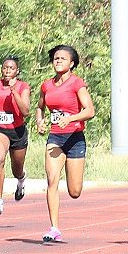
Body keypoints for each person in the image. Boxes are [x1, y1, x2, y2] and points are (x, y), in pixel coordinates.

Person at [36, 45, 95, 242]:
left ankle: (74, 186)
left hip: (75, 138)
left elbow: (90, 111)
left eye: (62, 58)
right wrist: (40, 121)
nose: (58, 61)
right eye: (55, 58)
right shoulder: (47, 85)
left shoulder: (77, 84)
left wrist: (70, 119)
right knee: (52, 180)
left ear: (71, 63)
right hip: (55, 138)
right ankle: (54, 228)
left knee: (74, 191)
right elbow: (40, 107)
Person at [0, 56, 31, 214]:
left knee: (17, 169)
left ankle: (21, 179)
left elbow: (25, 112)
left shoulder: (23, 87)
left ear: (17, 71)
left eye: (11, 68)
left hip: (17, 131)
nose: (7, 71)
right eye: (5, 68)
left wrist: (14, 92)